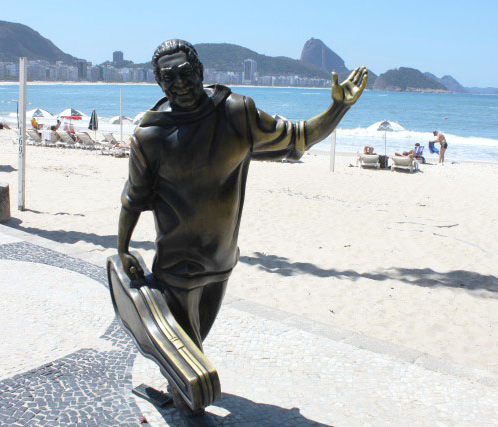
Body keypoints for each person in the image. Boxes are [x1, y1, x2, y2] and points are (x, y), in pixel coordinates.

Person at [117, 39, 366, 402]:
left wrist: (338, 108)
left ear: (200, 71)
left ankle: (181, 392)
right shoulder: (150, 135)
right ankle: (188, 401)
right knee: (189, 361)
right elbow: (133, 198)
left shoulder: (237, 114)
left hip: (222, 261)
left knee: (193, 347)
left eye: (185, 74)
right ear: (159, 83)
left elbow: (299, 137)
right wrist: (122, 248)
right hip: (177, 268)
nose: (180, 84)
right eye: (169, 79)